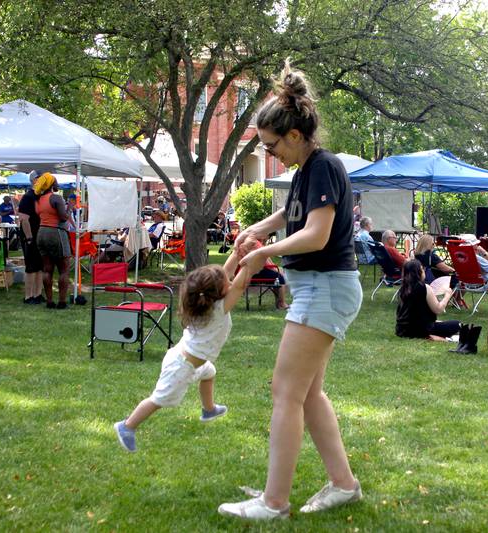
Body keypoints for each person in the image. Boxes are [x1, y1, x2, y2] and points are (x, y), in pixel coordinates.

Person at [218, 62, 363, 520]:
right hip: (318, 288)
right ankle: (344, 485)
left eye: (272, 145)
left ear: (295, 135)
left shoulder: (322, 166)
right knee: (307, 394)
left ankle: (273, 502)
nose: (271, 152)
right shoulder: (305, 171)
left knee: (285, 391)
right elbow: (291, 215)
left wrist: (265, 254)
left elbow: (317, 235)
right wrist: (259, 228)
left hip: (325, 288)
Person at [114, 247, 265, 452]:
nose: (228, 281)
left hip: (186, 359)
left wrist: (237, 254)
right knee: (158, 400)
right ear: (218, 293)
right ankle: (127, 426)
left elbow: (224, 273)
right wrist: (250, 264)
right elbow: (239, 285)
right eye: (225, 283)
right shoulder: (218, 310)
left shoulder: (201, 303)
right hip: (181, 368)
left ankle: (209, 410)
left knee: (209, 373)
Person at [395, 259, 461, 340]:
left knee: (440, 322)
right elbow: (438, 309)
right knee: (457, 324)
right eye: (422, 269)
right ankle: (438, 337)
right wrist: (447, 295)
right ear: (418, 272)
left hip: (402, 330)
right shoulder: (425, 288)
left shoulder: (403, 289)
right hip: (422, 329)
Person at [34, 173, 71, 309]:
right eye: (55, 182)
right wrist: (70, 209)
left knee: (47, 269)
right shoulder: (56, 198)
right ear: (51, 184)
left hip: (41, 232)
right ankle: (62, 302)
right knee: (64, 269)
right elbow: (62, 217)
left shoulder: (38, 200)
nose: (57, 184)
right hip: (55, 232)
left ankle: (49, 301)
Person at [17, 171, 44, 304]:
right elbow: (24, 219)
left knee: (40, 267)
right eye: (40, 179)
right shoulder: (28, 197)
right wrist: (29, 238)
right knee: (31, 267)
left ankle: (38, 294)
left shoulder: (41, 195)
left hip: (40, 235)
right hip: (31, 236)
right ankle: (28, 296)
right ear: (33, 180)